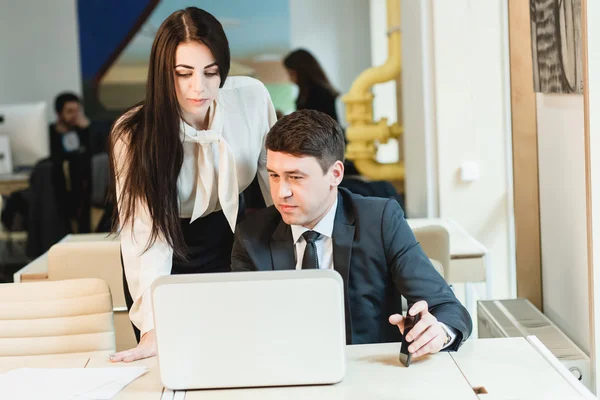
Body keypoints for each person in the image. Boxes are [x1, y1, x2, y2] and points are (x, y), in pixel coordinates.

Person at [108, 7, 276, 362]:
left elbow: (275, 183)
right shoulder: (133, 134)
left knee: (237, 358)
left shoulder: (251, 99)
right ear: (161, 73)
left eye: (211, 72)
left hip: (233, 238)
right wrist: (152, 326)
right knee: (174, 362)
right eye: (183, 73)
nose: (198, 87)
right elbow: (142, 232)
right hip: (164, 253)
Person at [232, 110, 472, 356]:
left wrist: (437, 332)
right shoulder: (252, 234)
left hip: (370, 376)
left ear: (335, 174)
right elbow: (240, 326)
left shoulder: (379, 221)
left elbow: (447, 307)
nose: (281, 192)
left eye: (295, 177)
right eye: (274, 175)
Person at [49, 92, 92, 233]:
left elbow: (92, 154)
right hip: (59, 186)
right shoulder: (50, 133)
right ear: (59, 113)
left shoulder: (82, 131)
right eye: (69, 111)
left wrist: (86, 130)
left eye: (77, 111)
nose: (74, 115)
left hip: (81, 186)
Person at [284, 49, 339, 122]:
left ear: (301, 72)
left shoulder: (318, 95)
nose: (290, 79)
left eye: (292, 74)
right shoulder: (309, 94)